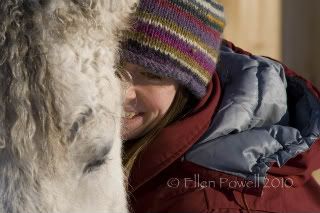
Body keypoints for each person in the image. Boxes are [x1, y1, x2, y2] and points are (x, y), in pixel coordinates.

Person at [117, 0, 320, 212]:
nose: (120, 93)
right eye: (113, 67)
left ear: (189, 86)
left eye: (152, 75)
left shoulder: (204, 202)